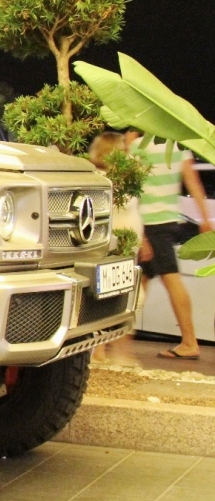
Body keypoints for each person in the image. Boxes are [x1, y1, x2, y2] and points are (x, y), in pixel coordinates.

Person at [128, 130, 213, 359]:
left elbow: (130, 187)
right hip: (168, 221)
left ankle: (189, 341)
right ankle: (116, 346)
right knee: (140, 285)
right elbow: (193, 183)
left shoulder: (137, 146)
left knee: (163, 280)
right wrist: (205, 219)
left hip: (148, 223)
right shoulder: (177, 145)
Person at [88, 131, 149, 364]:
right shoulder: (100, 178)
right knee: (119, 296)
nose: (128, 152)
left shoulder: (125, 176)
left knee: (130, 297)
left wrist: (143, 241)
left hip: (129, 247)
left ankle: (113, 351)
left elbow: (134, 210)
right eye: (123, 148)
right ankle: (105, 351)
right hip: (112, 246)